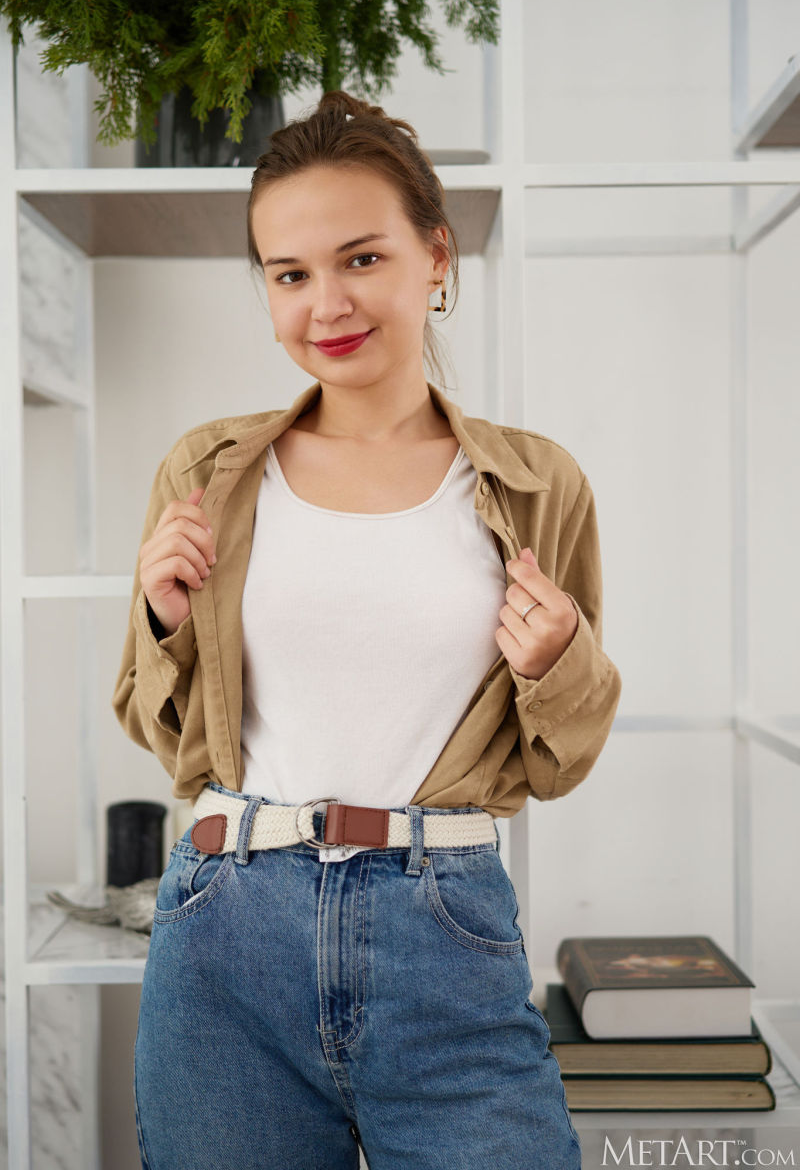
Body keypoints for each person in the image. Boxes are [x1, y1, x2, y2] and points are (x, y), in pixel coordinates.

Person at [112, 90, 621, 1170]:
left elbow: (558, 758)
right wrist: (163, 616)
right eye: (288, 275)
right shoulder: (208, 471)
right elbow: (163, 738)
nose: (324, 303)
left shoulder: (535, 484)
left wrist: (554, 663)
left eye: (360, 259)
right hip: (226, 928)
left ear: (434, 258)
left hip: (444, 928)